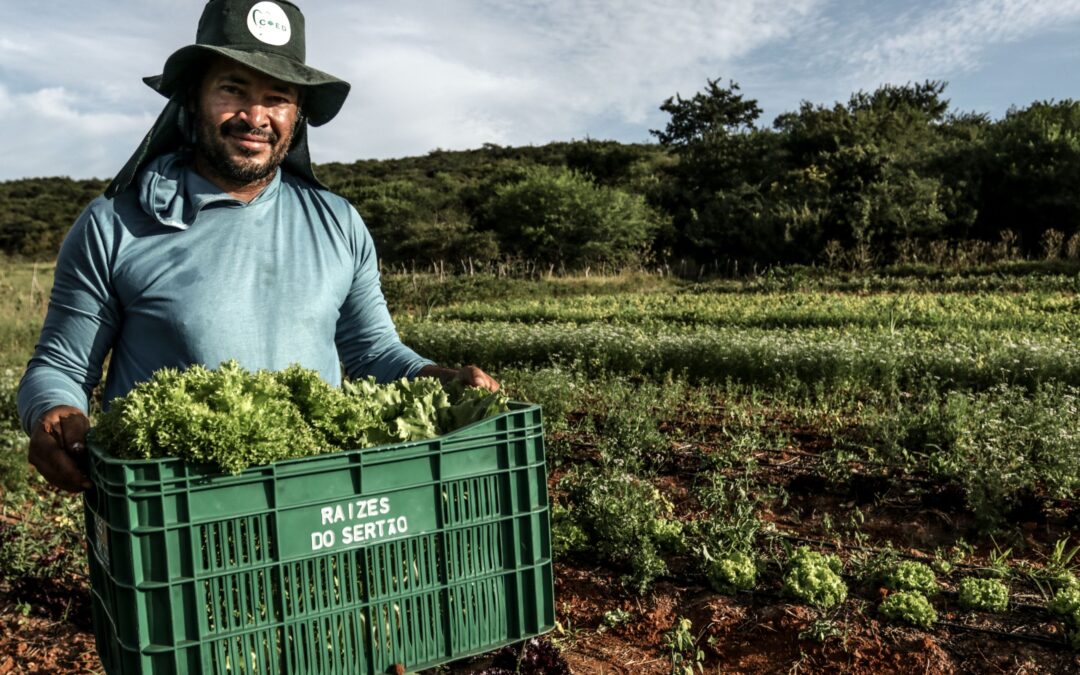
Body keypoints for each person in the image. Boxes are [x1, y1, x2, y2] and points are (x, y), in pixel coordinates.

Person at [16, 0, 499, 493]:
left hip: (311, 501)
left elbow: (372, 350)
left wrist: (435, 375)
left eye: (278, 97)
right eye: (232, 89)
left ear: (298, 113)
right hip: (173, 510)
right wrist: (53, 411)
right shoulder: (115, 224)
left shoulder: (337, 222)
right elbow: (62, 365)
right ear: (192, 97)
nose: (255, 116)